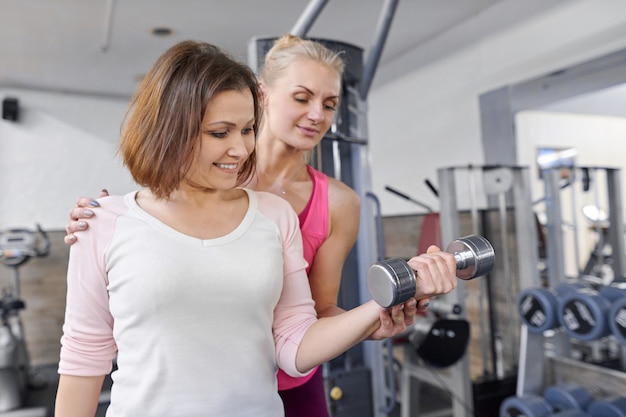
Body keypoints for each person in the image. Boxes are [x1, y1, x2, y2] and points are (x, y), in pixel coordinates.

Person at [61, 38, 448, 416]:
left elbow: (299, 332)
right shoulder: (104, 223)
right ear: (171, 129)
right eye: (220, 132)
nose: (241, 148)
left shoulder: (277, 215)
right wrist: (107, 220)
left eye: (247, 130)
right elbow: (84, 355)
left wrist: (375, 312)